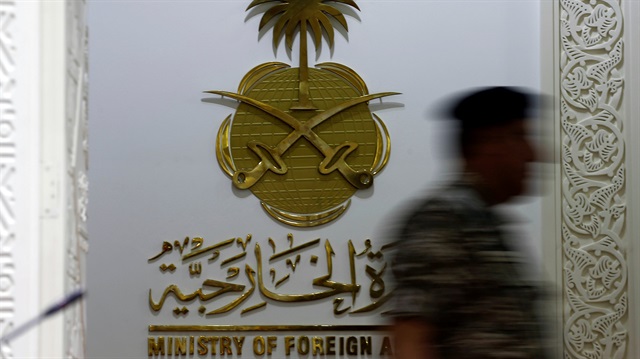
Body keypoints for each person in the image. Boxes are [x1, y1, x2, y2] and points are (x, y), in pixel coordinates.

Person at [391, 87, 549, 359]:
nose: (534, 154)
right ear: (488, 144)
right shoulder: (442, 219)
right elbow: (412, 338)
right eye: (520, 136)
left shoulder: (487, 220)